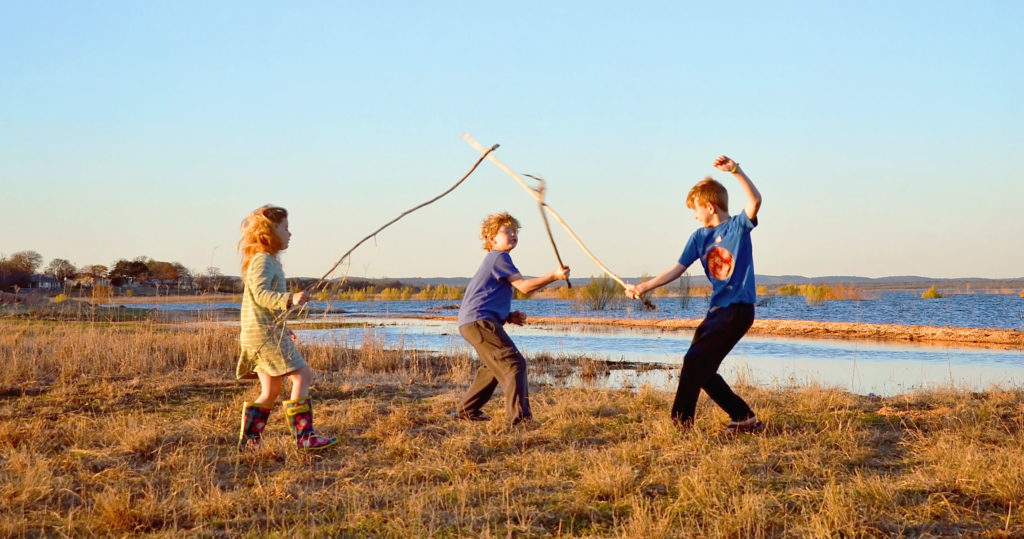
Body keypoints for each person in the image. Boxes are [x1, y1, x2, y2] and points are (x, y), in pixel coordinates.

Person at [625, 155, 764, 434]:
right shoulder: (698, 237)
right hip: (717, 311)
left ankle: (681, 425)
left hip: (737, 310)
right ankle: (743, 417)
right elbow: (676, 270)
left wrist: (735, 171)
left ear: (710, 207)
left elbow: (755, 201)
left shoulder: (737, 227)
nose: (694, 215)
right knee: (701, 368)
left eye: (696, 210)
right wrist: (642, 287)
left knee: (693, 363)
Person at [235, 205, 338, 451]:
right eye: (285, 229)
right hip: (263, 333)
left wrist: (284, 325)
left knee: (271, 390)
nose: (290, 234)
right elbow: (260, 295)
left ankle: (250, 443)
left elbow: (262, 304)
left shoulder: (266, 261)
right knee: (302, 374)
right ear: (267, 234)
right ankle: (305, 437)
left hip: (262, 331)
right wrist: (289, 299)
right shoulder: (263, 261)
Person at [453, 212, 570, 427]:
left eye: (515, 231)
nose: (513, 235)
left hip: (473, 322)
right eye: (507, 231)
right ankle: (521, 421)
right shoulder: (499, 257)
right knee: (514, 364)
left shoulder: (496, 260)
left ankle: (466, 411)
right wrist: (554, 276)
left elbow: (484, 296)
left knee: (492, 368)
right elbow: (524, 287)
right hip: (479, 322)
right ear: (491, 238)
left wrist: (507, 316)